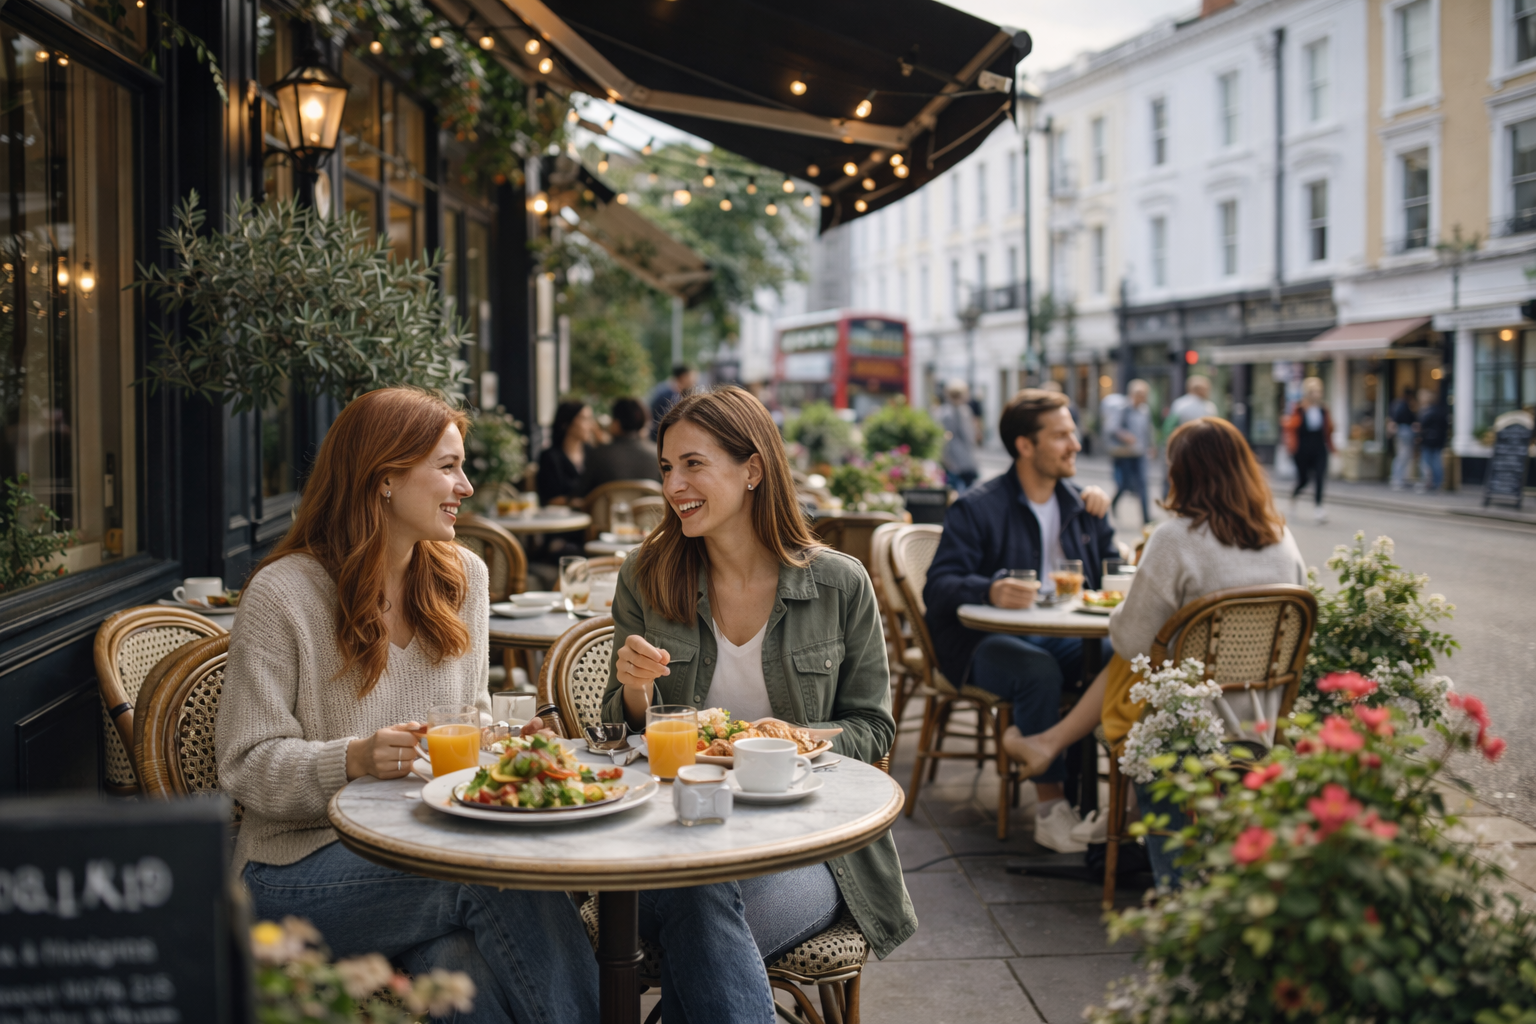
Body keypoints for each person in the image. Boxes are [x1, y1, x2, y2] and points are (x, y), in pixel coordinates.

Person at [218, 388, 599, 1023]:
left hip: (425, 853)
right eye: (448, 466)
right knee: (488, 871)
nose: (468, 486)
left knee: (457, 968)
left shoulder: (463, 578)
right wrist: (354, 760)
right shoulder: (283, 595)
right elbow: (246, 768)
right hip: (292, 872)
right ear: (386, 477)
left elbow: (469, 720)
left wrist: (503, 747)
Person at [602, 386, 915, 1023]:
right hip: (667, 840)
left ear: (752, 469)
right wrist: (635, 689)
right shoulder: (645, 574)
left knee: (703, 917)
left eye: (694, 464)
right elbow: (615, 729)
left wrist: (790, 742)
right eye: (667, 467)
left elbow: (874, 727)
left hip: (805, 847)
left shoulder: (838, 583)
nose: (674, 485)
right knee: (700, 899)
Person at [1004, 416, 1307, 885]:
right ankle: (1105, 804)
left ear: (1181, 473)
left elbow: (1128, 640)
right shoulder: (1281, 538)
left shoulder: (1174, 539)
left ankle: (1174, 887)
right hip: (1262, 721)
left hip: (1188, 729)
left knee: (1131, 670)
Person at [922, 389, 1116, 853]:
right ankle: (1052, 809)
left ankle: (1117, 794)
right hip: (981, 643)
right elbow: (939, 585)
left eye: (1074, 434)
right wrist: (989, 589)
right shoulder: (977, 506)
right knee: (1036, 670)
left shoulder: (1081, 506)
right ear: (1025, 446)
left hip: (1062, 634)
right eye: (1062, 436)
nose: (1075, 446)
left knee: (1125, 654)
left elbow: (1112, 573)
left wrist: (1103, 525)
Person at [578, 397, 662, 494]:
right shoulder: (658, 454)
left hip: (608, 509)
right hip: (648, 510)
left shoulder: (599, 455)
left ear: (616, 423)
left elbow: (581, 495)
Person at [1282, 376, 1333, 524]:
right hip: (1302, 449)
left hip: (1319, 447)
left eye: (1318, 391)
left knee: (1319, 476)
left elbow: (1328, 429)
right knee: (1303, 479)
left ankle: (1318, 509)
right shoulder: (1299, 409)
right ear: (1307, 392)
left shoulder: (1323, 410)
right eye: (1313, 391)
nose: (1316, 394)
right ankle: (1294, 497)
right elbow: (1291, 427)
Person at [1110, 379, 1153, 526]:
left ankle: (1146, 518)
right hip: (1125, 453)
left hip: (1140, 452)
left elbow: (1148, 430)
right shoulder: (1122, 409)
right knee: (1125, 484)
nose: (1141, 397)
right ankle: (1113, 503)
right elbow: (1112, 428)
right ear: (1131, 394)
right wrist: (1125, 436)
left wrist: (1151, 445)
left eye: (1144, 394)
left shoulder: (1145, 410)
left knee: (1143, 484)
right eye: (1139, 394)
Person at [537, 400, 596, 507]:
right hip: (561, 520)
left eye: (590, 419)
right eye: (584, 419)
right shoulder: (550, 457)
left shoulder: (592, 454)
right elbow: (550, 498)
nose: (591, 426)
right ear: (566, 422)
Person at [937, 379, 980, 492]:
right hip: (957, 461)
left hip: (959, 460)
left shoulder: (958, 411)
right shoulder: (950, 413)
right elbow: (968, 437)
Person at [648, 363, 697, 440]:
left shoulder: (678, 393)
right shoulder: (668, 395)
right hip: (662, 438)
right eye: (693, 376)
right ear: (683, 377)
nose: (695, 380)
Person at [1417, 387, 1449, 493]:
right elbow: (1445, 426)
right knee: (1436, 462)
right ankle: (1438, 484)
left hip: (1428, 440)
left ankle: (1428, 483)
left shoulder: (1427, 411)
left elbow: (1422, 425)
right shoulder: (1440, 410)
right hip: (1438, 440)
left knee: (1426, 462)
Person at [1389, 386, 1418, 490]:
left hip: (1401, 431)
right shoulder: (1404, 405)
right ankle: (1398, 480)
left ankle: (1398, 478)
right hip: (1405, 431)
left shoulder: (1397, 403)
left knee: (1402, 456)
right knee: (1403, 456)